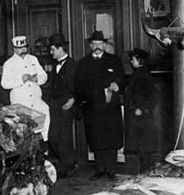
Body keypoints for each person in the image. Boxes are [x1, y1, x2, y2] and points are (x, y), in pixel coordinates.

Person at [74, 30, 127, 181]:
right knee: (95, 139)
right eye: (95, 44)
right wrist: (84, 103)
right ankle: (99, 170)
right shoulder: (83, 63)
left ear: (104, 45)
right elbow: (78, 85)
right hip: (93, 108)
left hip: (110, 108)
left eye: (100, 43)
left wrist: (117, 84)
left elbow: (123, 79)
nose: (98, 46)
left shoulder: (114, 60)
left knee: (111, 139)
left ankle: (111, 170)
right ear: (91, 45)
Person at [1, 35, 50, 140]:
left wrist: (36, 79)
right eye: (20, 48)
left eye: (25, 47)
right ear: (14, 49)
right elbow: (5, 84)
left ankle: (43, 153)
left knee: (43, 129)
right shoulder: (9, 63)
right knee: (24, 134)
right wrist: (21, 80)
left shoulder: (33, 59)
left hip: (36, 101)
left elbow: (44, 76)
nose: (23, 50)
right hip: (21, 104)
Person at [43, 33, 78, 178]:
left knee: (65, 136)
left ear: (60, 48)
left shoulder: (73, 65)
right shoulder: (54, 65)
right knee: (53, 136)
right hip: (54, 104)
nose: (51, 53)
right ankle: (68, 162)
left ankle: (68, 166)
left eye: (52, 50)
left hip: (66, 104)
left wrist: (73, 100)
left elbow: (80, 86)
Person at [124, 48, 157, 173]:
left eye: (133, 59)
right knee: (141, 148)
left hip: (142, 118)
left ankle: (145, 174)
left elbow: (153, 95)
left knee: (143, 148)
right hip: (138, 117)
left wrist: (142, 108)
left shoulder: (144, 75)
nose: (131, 62)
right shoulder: (138, 73)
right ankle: (144, 174)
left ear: (140, 60)